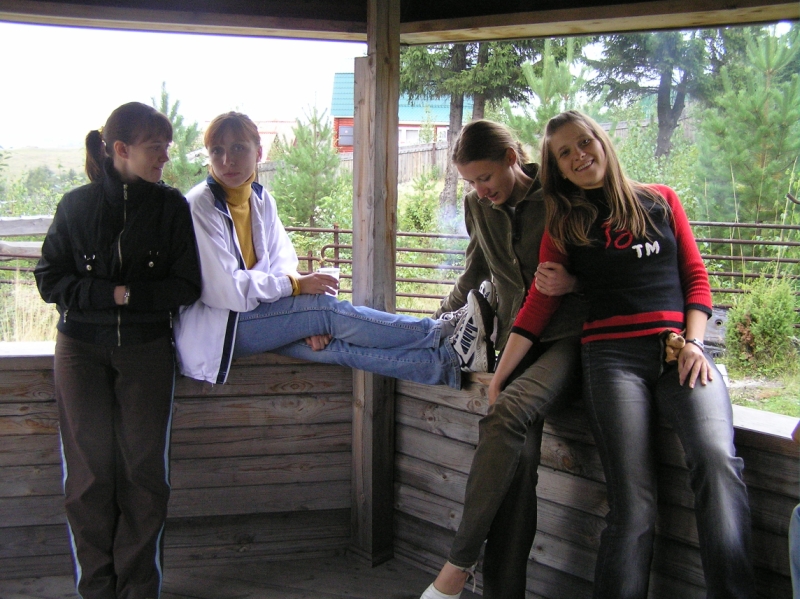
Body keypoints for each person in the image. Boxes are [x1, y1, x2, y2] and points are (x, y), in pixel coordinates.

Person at [491, 110, 755, 599]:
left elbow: (697, 280)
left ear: (602, 141)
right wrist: (499, 377)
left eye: (583, 142)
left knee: (717, 460)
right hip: (612, 361)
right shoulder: (565, 222)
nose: (578, 155)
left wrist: (696, 343)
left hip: (681, 353)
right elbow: (538, 304)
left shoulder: (661, 200)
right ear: (557, 169)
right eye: (564, 154)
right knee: (633, 504)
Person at [173, 112, 494, 388]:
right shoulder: (200, 204)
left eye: (238, 148)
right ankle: (441, 331)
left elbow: (282, 260)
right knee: (324, 310)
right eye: (217, 151)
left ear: (258, 152)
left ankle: (447, 362)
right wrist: (297, 292)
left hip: (255, 316)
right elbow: (226, 291)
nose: (227, 160)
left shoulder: (259, 199)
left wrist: (300, 317)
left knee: (333, 347)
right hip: (220, 328)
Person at [35, 102, 202, 599]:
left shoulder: (171, 208)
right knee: (88, 478)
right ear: (122, 150)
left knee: (144, 476)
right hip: (80, 352)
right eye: (156, 149)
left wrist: (129, 298)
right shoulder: (75, 206)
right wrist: (113, 294)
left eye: (166, 149)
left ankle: (138, 590)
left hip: (147, 351)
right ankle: (97, 590)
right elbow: (49, 279)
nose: (164, 158)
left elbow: (187, 285)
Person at [421, 120, 588, 599]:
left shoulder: (560, 196)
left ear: (512, 158)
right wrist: (433, 323)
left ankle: (457, 567)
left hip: (567, 339)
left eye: (485, 177)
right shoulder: (478, 207)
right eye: (470, 181)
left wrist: (576, 285)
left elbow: (602, 268)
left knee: (506, 414)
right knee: (518, 470)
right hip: (516, 343)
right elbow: (475, 270)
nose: (479, 189)